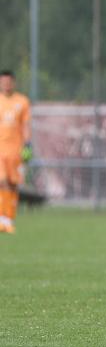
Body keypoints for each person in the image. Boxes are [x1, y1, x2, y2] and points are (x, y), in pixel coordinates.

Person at [0, 71, 31, 234]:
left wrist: (28, 145)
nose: (6, 84)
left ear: (13, 83)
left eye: (8, 82)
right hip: (0, 150)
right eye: (3, 82)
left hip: (16, 151)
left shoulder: (22, 101)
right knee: (2, 181)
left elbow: (25, 125)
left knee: (13, 185)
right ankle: (2, 219)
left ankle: (9, 220)